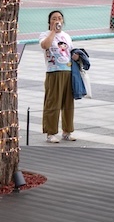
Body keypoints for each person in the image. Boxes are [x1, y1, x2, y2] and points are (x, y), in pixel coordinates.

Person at [40, 10, 79, 143]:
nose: (57, 20)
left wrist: (77, 56)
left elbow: (70, 51)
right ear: (49, 21)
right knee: (53, 102)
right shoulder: (45, 35)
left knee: (68, 103)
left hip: (68, 71)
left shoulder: (66, 36)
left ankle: (67, 131)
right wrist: (53, 31)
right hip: (53, 72)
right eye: (54, 18)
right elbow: (45, 45)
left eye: (60, 18)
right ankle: (50, 132)